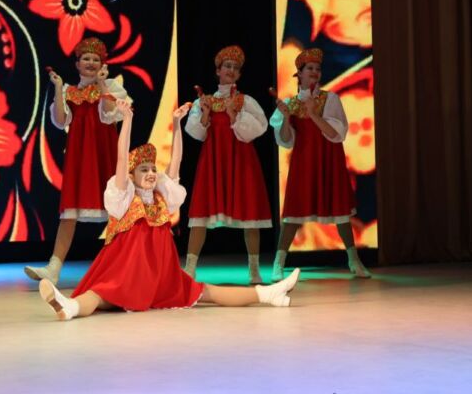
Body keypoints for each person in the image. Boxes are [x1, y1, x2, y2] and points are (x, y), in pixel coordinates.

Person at [38, 99, 300, 321]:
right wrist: (127, 120)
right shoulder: (124, 197)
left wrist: (176, 125)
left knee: (207, 291)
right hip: (126, 271)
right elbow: (121, 158)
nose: (151, 173)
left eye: (153, 169)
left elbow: (176, 161)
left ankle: (268, 294)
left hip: (161, 276)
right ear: (131, 175)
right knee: (99, 294)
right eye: (144, 169)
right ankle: (69, 307)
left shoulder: (162, 197)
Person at [24, 37, 129, 284]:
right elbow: (60, 121)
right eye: (86, 58)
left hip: (105, 155)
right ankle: (53, 268)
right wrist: (58, 87)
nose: (91, 63)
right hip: (79, 157)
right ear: (77, 64)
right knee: (69, 214)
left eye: (96, 59)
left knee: (116, 211)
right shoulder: (69, 91)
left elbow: (109, 114)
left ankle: (124, 266)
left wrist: (102, 84)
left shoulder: (112, 87)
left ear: (103, 64)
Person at [269, 48, 370, 281]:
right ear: (299, 74)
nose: (314, 72)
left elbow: (336, 134)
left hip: (329, 161)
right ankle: (279, 263)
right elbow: (286, 140)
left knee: (340, 213)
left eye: (317, 69)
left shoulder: (330, 99)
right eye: (310, 69)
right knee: (292, 215)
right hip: (303, 164)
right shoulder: (291, 103)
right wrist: (286, 118)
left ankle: (354, 261)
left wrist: (314, 114)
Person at [184, 45, 273, 284]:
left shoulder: (246, 101)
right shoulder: (206, 101)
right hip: (213, 161)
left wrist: (234, 114)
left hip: (241, 160)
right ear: (218, 70)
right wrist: (205, 113)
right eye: (227, 66)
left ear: (239, 74)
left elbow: (258, 129)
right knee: (200, 216)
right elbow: (196, 134)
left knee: (250, 215)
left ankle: (254, 271)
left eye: (235, 67)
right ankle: (190, 270)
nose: (231, 70)